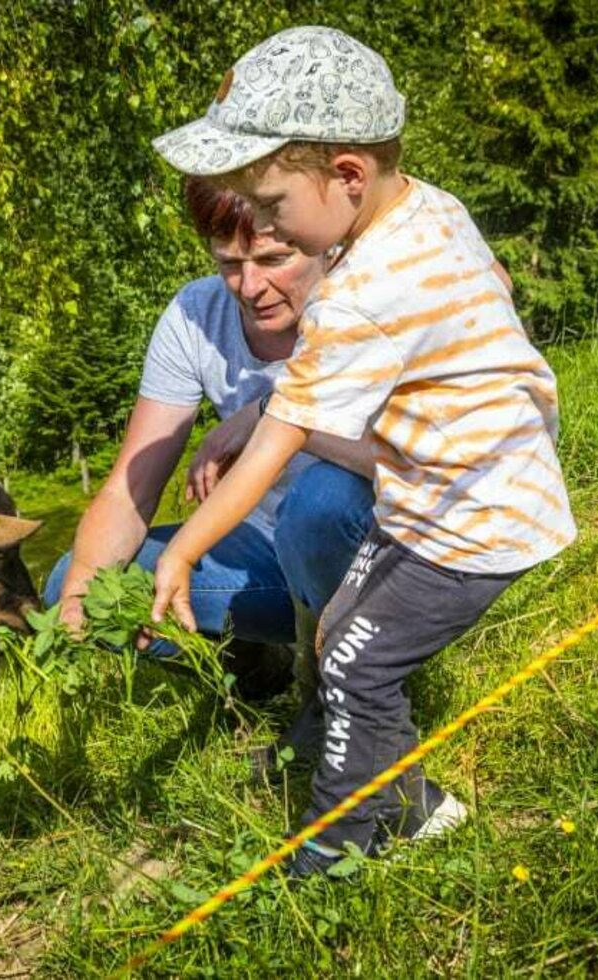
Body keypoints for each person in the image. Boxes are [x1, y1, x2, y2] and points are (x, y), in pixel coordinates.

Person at [149, 26, 576, 877]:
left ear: (347, 176)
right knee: (342, 637)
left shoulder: (358, 297)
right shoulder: (427, 206)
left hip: (475, 519)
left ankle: (330, 854)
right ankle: (420, 809)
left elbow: (277, 443)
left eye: (270, 208)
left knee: (353, 659)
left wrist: (185, 549)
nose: (263, 224)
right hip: (466, 485)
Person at [43, 176, 375, 698]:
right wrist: (76, 598)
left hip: (376, 555)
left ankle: (345, 688)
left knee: (319, 503)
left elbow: (406, 459)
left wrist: (271, 412)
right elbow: (131, 492)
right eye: (229, 263)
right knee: (79, 584)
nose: (249, 287)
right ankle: (257, 672)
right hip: (265, 559)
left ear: (320, 240)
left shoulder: (367, 296)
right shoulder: (195, 316)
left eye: (271, 260)